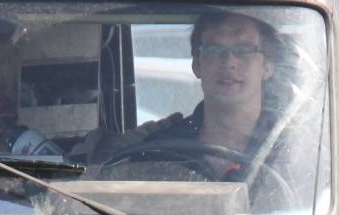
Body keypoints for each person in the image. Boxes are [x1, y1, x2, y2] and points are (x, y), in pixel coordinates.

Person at [97, 11, 286, 180]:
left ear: (267, 66)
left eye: (244, 51)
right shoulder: (159, 151)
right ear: (196, 64)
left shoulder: (292, 149)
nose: (229, 62)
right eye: (214, 50)